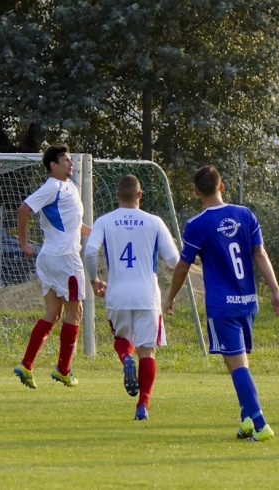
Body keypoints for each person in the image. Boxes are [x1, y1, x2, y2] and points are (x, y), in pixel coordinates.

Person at [164, 166, 279, 442]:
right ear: (223, 186)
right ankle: (246, 421)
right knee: (238, 364)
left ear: (196, 192)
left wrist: (170, 297)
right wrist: (275, 291)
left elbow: (183, 267)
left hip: (222, 305)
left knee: (238, 366)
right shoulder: (245, 214)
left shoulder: (197, 224)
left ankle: (261, 423)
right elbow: (260, 254)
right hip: (247, 302)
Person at [84, 175, 180, 420]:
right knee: (147, 352)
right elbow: (174, 261)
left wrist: (94, 280)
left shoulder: (105, 221)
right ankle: (143, 406)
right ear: (140, 195)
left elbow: (90, 252)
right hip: (147, 295)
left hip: (118, 294)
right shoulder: (154, 222)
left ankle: (126, 358)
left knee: (122, 338)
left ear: (117, 196)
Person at [13, 145, 92, 389]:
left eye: (71, 159)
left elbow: (73, 226)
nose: (71, 163)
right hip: (64, 259)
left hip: (51, 257)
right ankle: (64, 370)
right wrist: (24, 243)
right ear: (53, 166)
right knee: (75, 312)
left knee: (53, 313)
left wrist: (101, 233)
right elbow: (24, 210)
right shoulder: (52, 187)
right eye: (66, 160)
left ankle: (26, 365)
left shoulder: (69, 188)